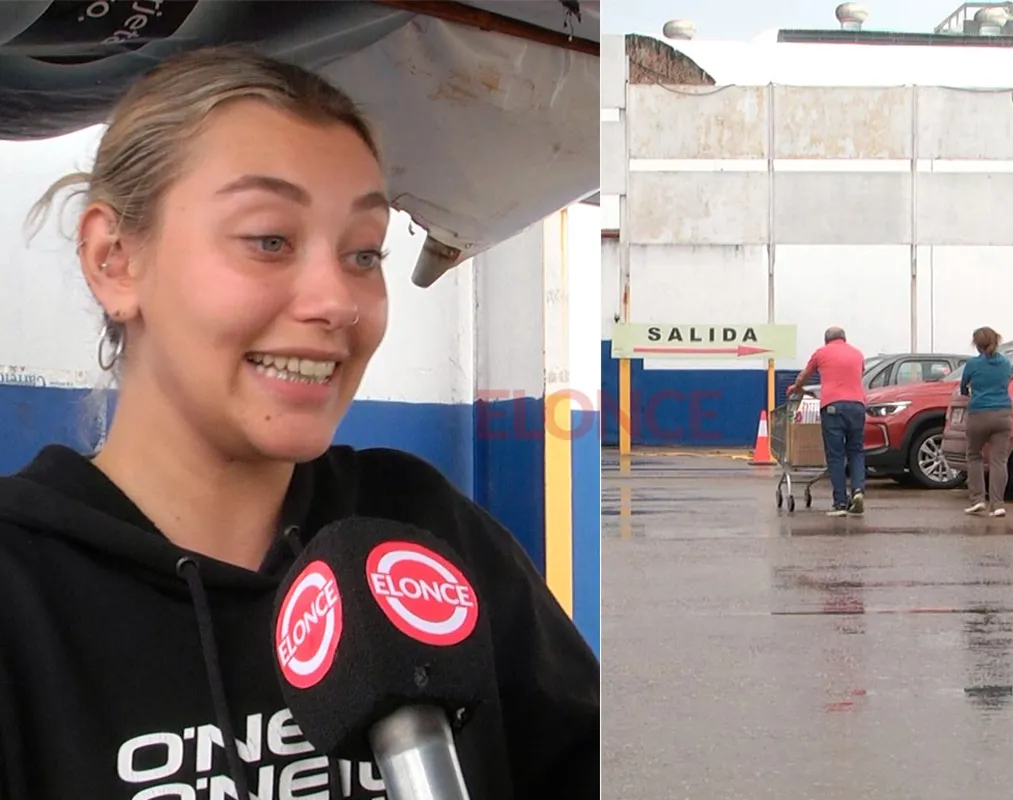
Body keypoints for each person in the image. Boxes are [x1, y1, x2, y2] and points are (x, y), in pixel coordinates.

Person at [0, 47, 598, 799]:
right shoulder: (22, 592)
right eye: (270, 240)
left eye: (362, 253)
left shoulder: (419, 531)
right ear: (114, 260)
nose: (337, 301)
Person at [789, 326, 867, 517]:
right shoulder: (857, 354)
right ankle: (858, 492)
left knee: (836, 455)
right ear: (844, 338)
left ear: (826, 340)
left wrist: (796, 387)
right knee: (856, 451)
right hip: (858, 406)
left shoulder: (821, 353)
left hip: (833, 407)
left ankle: (840, 502)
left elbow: (805, 375)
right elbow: (859, 374)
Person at [960, 326, 1013, 518]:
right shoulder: (1006, 363)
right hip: (1003, 414)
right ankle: (998, 504)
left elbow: (963, 388)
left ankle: (977, 500)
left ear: (976, 345)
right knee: (999, 460)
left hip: (979, 414)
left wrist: (969, 393)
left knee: (974, 455)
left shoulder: (972, 365)